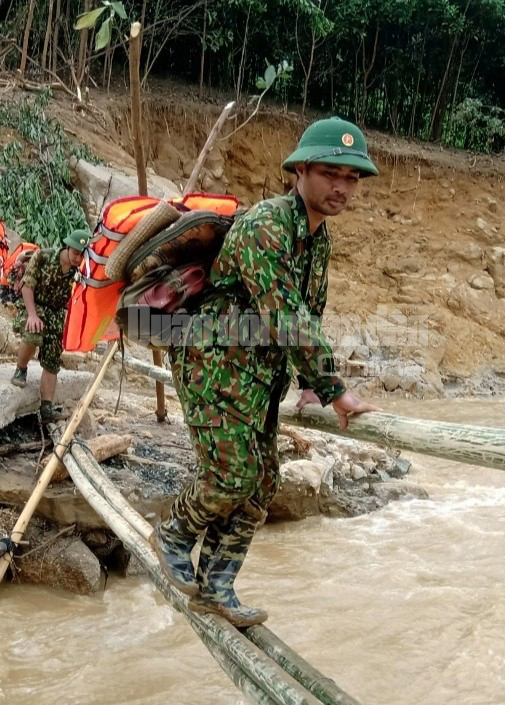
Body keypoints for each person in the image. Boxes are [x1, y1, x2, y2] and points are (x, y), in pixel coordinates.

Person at [154, 117, 381, 627]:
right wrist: (336, 390)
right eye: (330, 173)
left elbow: (309, 312)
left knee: (260, 488)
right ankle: (171, 534)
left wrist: (309, 390)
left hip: (257, 377)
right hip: (213, 364)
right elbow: (286, 317)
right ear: (300, 170)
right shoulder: (267, 226)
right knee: (230, 477)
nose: (342, 186)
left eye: (352, 178)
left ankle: (216, 588)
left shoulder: (317, 240)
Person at [9, 228, 86, 421]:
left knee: (52, 359)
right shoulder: (43, 257)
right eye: (76, 252)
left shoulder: (80, 272)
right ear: (67, 247)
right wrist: (32, 315)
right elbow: (28, 286)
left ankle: (46, 408)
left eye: (81, 254)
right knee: (34, 330)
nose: (78, 258)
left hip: (56, 312)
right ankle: (21, 369)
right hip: (33, 303)